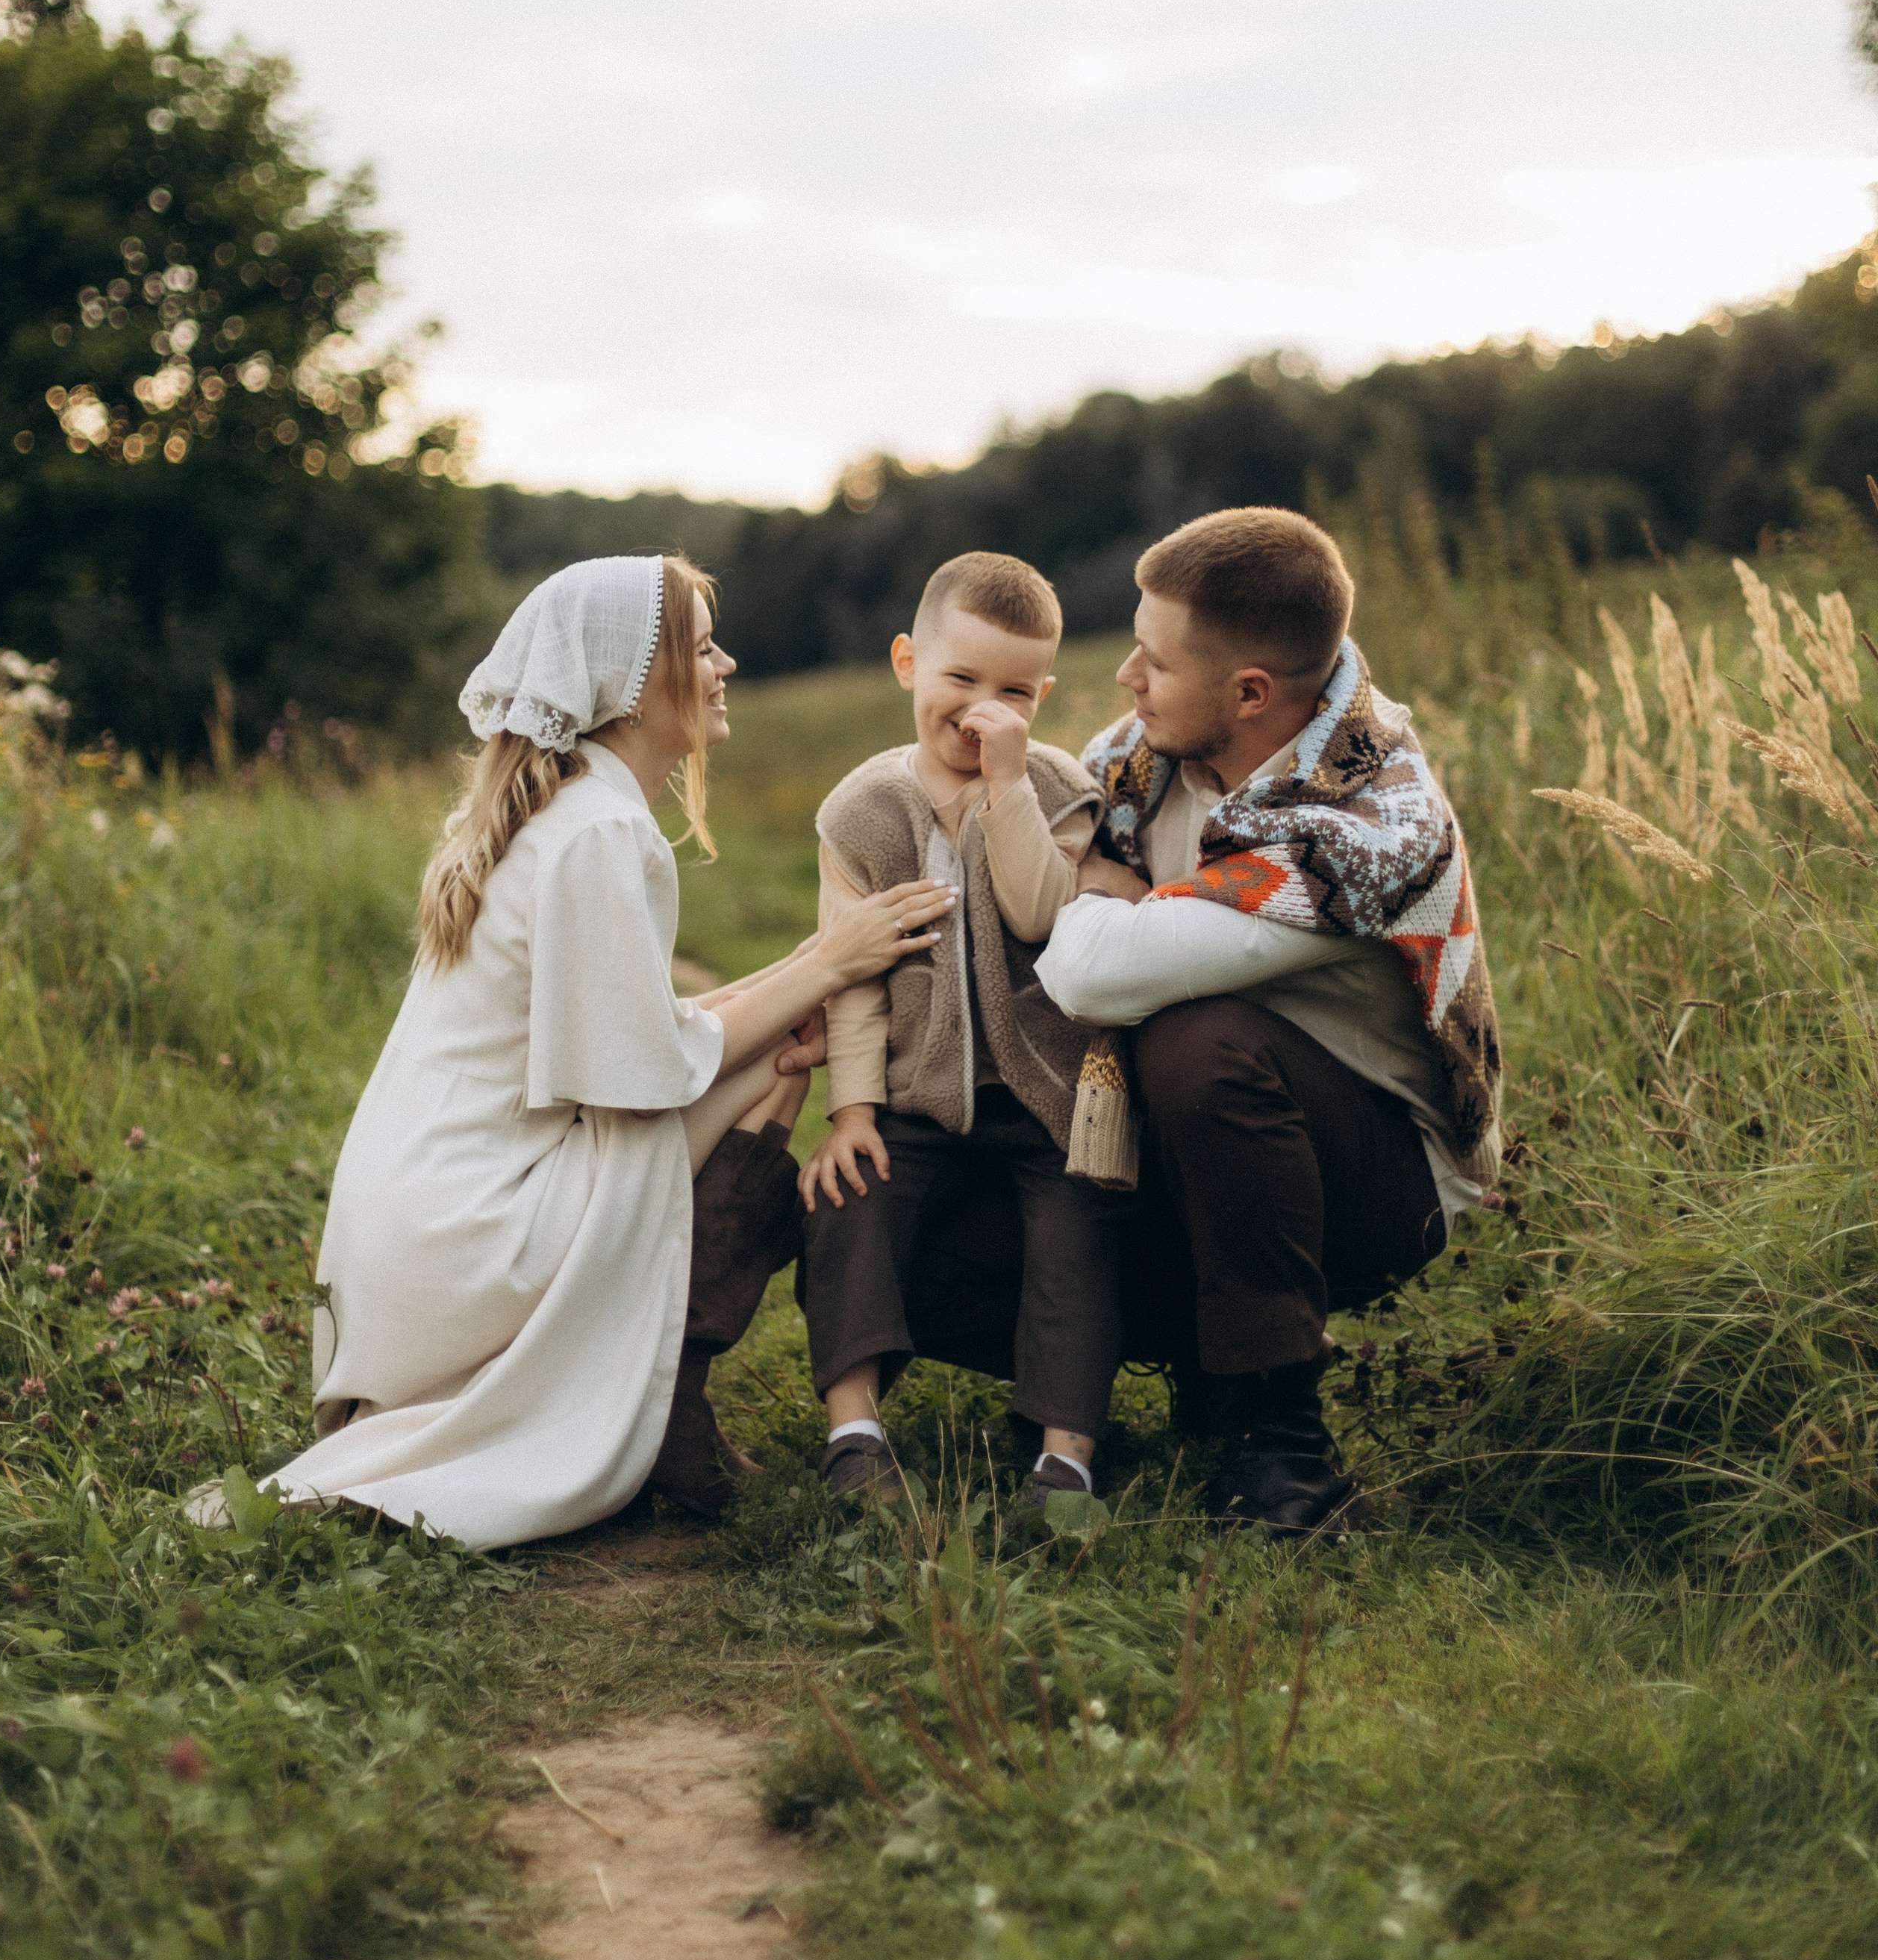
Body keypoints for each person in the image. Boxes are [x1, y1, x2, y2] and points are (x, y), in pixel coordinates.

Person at [207, 555, 951, 1550]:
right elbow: (644, 1077)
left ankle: (669, 1389)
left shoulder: (570, 809)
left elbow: (648, 1033)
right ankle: (666, 1391)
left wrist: (806, 977)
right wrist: (827, 962)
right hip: (470, 1235)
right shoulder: (599, 830)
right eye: (700, 645)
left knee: (774, 1048)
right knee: (773, 1066)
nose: (725, 663)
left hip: (423, 1223)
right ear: (631, 682)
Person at [1036, 508, 1503, 1538]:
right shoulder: (1138, 757)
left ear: (1250, 692)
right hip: (1227, 1153)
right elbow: (1024, 887)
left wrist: (1100, 890)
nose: (1126, 679)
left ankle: (1284, 1443)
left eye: (1154, 662)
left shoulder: (1370, 831)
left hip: (1381, 1181)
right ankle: (1190, 1371)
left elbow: (1084, 972)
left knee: (1195, 1041)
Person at [798, 552, 1131, 1513]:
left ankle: (1065, 1456)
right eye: (961, 678)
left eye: (1014, 690)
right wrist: (853, 1109)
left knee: (1081, 1218)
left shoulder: (1059, 788)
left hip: (1043, 1088)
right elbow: (852, 975)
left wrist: (1011, 784)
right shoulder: (863, 813)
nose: (983, 706)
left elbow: (1038, 912)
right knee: (850, 1197)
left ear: (1042, 695)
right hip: (915, 1091)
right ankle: (854, 1434)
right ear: (908, 663)